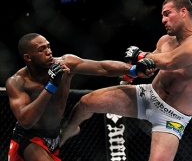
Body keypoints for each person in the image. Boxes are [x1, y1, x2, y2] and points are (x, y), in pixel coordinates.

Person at [59, 0, 192, 161]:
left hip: (172, 116)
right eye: (162, 15)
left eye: (167, 14)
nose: (163, 20)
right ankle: (65, 134)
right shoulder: (165, 40)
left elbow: (171, 61)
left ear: (183, 11)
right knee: (86, 102)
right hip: (148, 96)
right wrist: (132, 74)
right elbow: (150, 65)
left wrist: (141, 55)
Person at [6, 33, 155, 161]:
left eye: (48, 46)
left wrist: (133, 70)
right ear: (28, 57)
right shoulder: (17, 82)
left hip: (55, 137)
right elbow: (25, 121)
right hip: (29, 139)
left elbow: (102, 67)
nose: (49, 52)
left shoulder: (66, 63)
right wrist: (51, 86)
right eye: (41, 49)